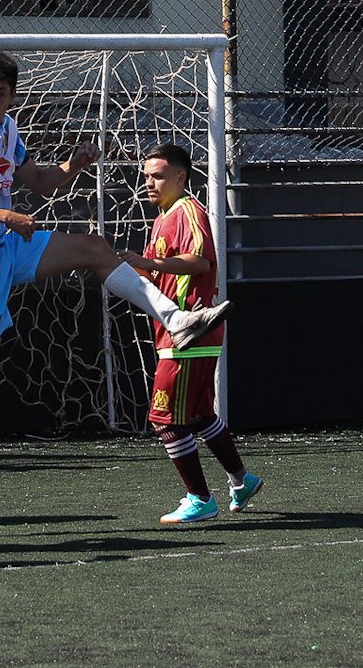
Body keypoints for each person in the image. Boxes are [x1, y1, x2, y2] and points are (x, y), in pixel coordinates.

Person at [0, 51, 230, 537]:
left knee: (93, 247)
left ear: (11, 95)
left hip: (5, 247)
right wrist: (6, 216)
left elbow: (39, 183)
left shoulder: (7, 128)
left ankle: (176, 318)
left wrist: (72, 166)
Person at [119, 144, 262, 523]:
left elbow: (200, 261)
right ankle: (241, 480)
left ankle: (199, 498)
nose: (149, 182)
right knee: (197, 413)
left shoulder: (187, 210)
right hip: (180, 334)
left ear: (180, 177)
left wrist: (147, 262)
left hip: (191, 331)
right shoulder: (164, 216)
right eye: (146, 175)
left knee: (165, 419)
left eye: (158, 175)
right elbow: (156, 272)